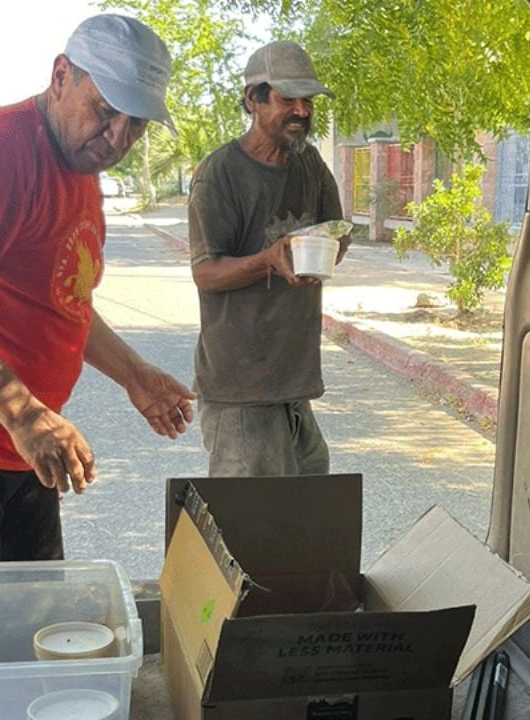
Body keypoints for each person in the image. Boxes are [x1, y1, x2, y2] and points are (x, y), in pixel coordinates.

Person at [0, 14, 195, 564]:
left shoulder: (78, 168)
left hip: (27, 445)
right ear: (61, 77)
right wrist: (22, 414)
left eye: (136, 125)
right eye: (105, 111)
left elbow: (63, 299)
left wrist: (134, 375)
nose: (118, 138)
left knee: (36, 607)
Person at [188, 41, 351, 477]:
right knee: (252, 513)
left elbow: (337, 231)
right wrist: (269, 259)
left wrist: (330, 247)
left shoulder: (310, 163)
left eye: (308, 100)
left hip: (293, 382)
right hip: (240, 389)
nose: (302, 110)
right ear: (252, 99)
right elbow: (205, 272)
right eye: (288, 99)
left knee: (309, 504)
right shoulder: (219, 174)